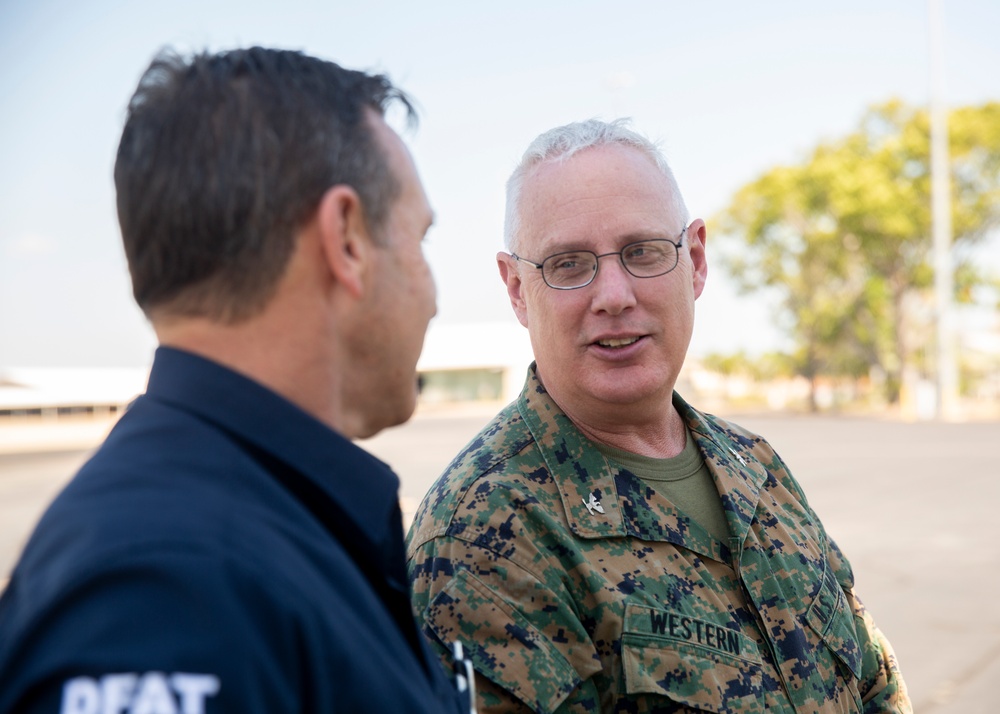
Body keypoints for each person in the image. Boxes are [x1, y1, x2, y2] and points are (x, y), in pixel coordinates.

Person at [0, 47, 467, 714]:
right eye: (419, 239)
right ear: (348, 240)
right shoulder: (172, 587)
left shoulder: (256, 524)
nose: (434, 297)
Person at [406, 119, 911, 712]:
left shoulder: (757, 468)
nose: (615, 295)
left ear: (695, 261)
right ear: (517, 288)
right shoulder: (484, 537)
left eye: (642, 252)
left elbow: (876, 682)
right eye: (568, 264)